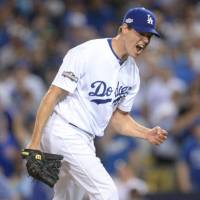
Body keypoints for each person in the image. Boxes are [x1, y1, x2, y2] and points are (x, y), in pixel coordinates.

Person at [26, 7, 168, 200]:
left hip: (85, 140)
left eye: (149, 37)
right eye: (141, 33)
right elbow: (53, 95)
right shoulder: (88, 52)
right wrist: (35, 142)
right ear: (124, 29)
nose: (145, 40)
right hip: (63, 130)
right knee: (106, 192)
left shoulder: (132, 74)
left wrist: (146, 133)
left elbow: (119, 119)